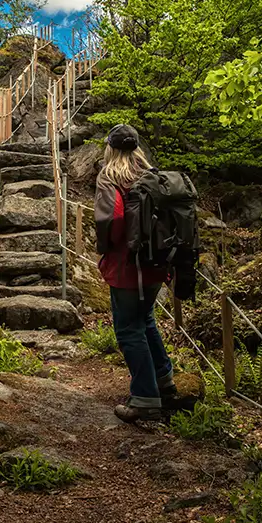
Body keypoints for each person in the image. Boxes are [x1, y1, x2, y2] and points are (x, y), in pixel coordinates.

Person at [94, 124, 176, 422]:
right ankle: (164, 380)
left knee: (129, 330)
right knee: (146, 321)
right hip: (157, 263)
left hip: (128, 266)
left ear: (111, 148)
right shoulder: (152, 174)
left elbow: (113, 218)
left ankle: (144, 398)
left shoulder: (110, 177)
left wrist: (106, 246)